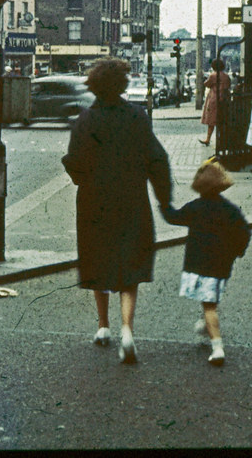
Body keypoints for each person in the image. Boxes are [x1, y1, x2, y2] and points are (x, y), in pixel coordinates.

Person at [61, 58, 172, 364]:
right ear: (123, 85)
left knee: (98, 260)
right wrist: (165, 200)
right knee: (129, 265)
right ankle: (127, 330)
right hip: (131, 200)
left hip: (94, 201)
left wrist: (83, 179)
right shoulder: (137, 117)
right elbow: (157, 160)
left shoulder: (84, 121)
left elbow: (74, 163)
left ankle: (102, 326)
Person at [160, 160, 251, 366]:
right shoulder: (230, 209)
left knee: (209, 305)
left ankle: (217, 345)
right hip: (221, 264)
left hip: (200, 264)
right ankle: (205, 324)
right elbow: (244, 232)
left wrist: (163, 203)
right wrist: (238, 251)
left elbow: (174, 217)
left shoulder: (195, 207)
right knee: (210, 298)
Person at [199, 59, 231, 145]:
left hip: (214, 99)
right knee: (222, 120)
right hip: (224, 99)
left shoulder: (213, 75)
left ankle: (208, 139)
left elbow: (207, 84)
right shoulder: (226, 76)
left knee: (211, 121)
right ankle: (222, 140)